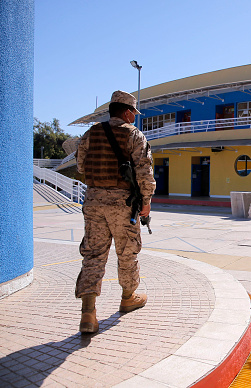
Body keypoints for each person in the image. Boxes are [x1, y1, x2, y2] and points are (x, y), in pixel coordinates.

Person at [75, 90, 156, 333]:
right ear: (127, 111)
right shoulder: (134, 135)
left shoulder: (91, 133)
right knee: (127, 251)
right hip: (123, 203)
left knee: (93, 255)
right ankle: (128, 298)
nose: (134, 117)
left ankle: (88, 314)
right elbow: (144, 171)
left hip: (93, 200)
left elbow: (80, 165)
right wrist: (146, 201)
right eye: (133, 112)